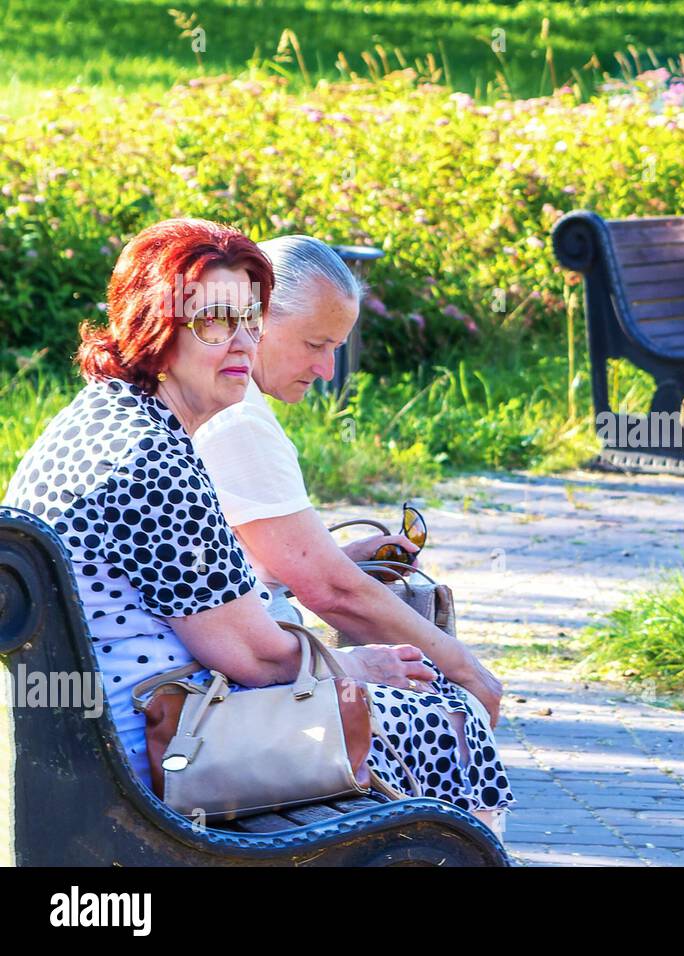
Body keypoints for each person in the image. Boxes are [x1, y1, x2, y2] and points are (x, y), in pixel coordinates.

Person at [2, 219, 513, 832]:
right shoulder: (152, 458)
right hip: (159, 751)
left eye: (251, 320)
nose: (243, 342)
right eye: (216, 321)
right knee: (446, 716)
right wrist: (357, 667)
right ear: (153, 326)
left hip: (99, 737)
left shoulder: (101, 419)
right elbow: (255, 657)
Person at [190, 234, 511, 833]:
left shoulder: (215, 413)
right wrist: (464, 669)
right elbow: (331, 594)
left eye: (336, 347)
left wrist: (332, 560)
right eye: (315, 344)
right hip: (209, 716)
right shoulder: (237, 422)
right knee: (451, 711)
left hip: (204, 691)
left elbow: (239, 563)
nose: (326, 369)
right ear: (253, 321)